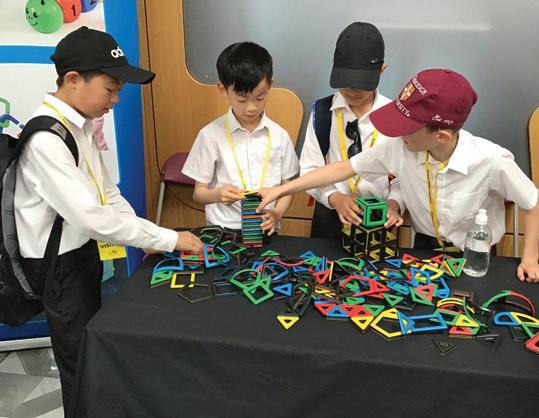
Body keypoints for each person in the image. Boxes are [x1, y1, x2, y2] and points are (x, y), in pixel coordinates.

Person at [14, 26, 203, 416]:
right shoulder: (47, 138)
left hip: (81, 255)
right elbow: (91, 218)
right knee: (79, 361)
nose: (115, 100)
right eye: (110, 89)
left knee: (93, 350)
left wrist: (147, 237)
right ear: (73, 79)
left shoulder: (79, 126)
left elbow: (106, 194)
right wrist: (170, 239)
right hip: (58, 267)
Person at [257, 69, 539, 283]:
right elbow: (342, 168)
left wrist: (530, 258)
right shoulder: (402, 147)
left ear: (441, 136)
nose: (398, 134)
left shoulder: (491, 160)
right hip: (424, 252)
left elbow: (532, 200)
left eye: (407, 128)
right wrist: (281, 191)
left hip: (476, 256)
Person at [182, 42, 299, 236]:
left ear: (270, 85)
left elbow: (288, 188)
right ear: (223, 89)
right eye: (242, 99)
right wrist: (217, 195)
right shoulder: (210, 135)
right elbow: (198, 193)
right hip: (222, 231)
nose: (251, 108)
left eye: (260, 98)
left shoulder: (280, 136)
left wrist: (277, 213)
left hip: (266, 228)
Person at [299, 21, 403, 239]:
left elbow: (405, 176)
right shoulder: (322, 112)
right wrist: (335, 198)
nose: (352, 91)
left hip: (380, 219)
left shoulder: (396, 117)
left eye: (362, 84)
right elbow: (309, 169)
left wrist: (394, 204)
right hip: (330, 217)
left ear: (381, 71)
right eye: (345, 81)